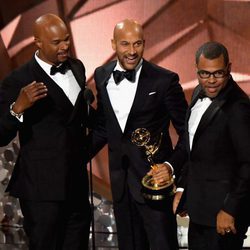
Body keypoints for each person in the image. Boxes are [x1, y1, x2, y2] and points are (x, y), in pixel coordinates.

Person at [91, 19, 188, 250]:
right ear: (113, 44)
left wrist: (170, 166)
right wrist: (75, 157)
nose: (132, 51)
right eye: (125, 44)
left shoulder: (165, 80)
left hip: (154, 184)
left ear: (144, 44)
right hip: (121, 183)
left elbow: (187, 133)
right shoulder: (101, 76)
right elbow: (105, 127)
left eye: (138, 44)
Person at [0, 13, 91, 250]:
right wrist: (17, 108)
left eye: (66, 40)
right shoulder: (18, 79)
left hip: (77, 186)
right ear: (37, 42)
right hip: (41, 190)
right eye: (56, 42)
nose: (64, 47)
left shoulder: (77, 67)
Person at [174, 41, 250, 250]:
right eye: (204, 74)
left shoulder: (238, 107)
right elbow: (195, 150)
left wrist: (230, 210)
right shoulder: (198, 92)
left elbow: (247, 164)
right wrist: (185, 191)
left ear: (229, 69)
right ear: (196, 70)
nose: (211, 81)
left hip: (223, 218)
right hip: (199, 212)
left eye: (218, 73)